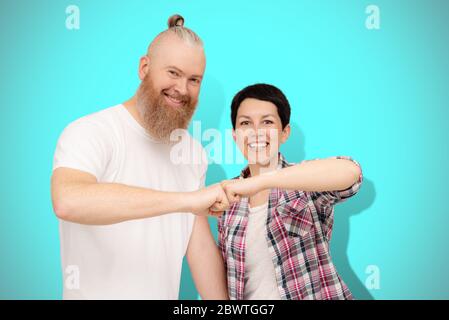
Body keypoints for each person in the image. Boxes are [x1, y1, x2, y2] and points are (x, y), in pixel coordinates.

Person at [51, 14, 228, 299]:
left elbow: (200, 248)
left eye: (194, 79)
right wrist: (186, 200)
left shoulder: (193, 152)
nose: (182, 89)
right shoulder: (92, 131)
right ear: (144, 67)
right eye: (173, 73)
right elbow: (68, 201)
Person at [217, 83, 363, 300]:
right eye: (246, 123)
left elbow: (351, 173)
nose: (256, 132)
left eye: (267, 122)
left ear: (285, 133)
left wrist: (261, 182)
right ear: (235, 135)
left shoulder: (305, 180)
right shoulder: (228, 198)